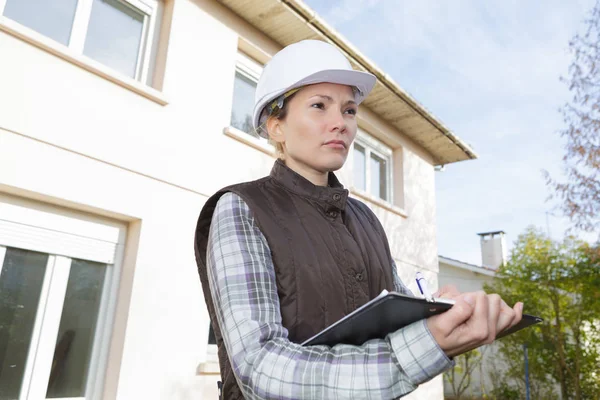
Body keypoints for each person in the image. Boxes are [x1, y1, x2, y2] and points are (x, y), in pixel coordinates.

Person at [194, 40, 523, 400]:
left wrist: (442, 312)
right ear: (276, 126)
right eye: (319, 106)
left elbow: (397, 316)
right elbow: (260, 368)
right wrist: (420, 350)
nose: (340, 123)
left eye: (349, 111)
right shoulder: (241, 208)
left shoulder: (366, 219)